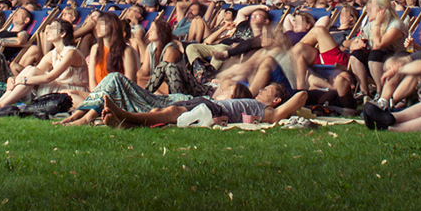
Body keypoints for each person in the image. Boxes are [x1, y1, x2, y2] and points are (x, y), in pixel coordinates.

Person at [100, 81, 308, 128]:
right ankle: (124, 124)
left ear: (276, 100)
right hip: (206, 102)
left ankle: (125, 115)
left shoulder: (268, 111)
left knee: (172, 111)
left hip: (216, 109)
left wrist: (282, 106)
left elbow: (302, 95)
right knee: (159, 111)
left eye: (268, 90)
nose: (261, 89)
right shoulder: (254, 101)